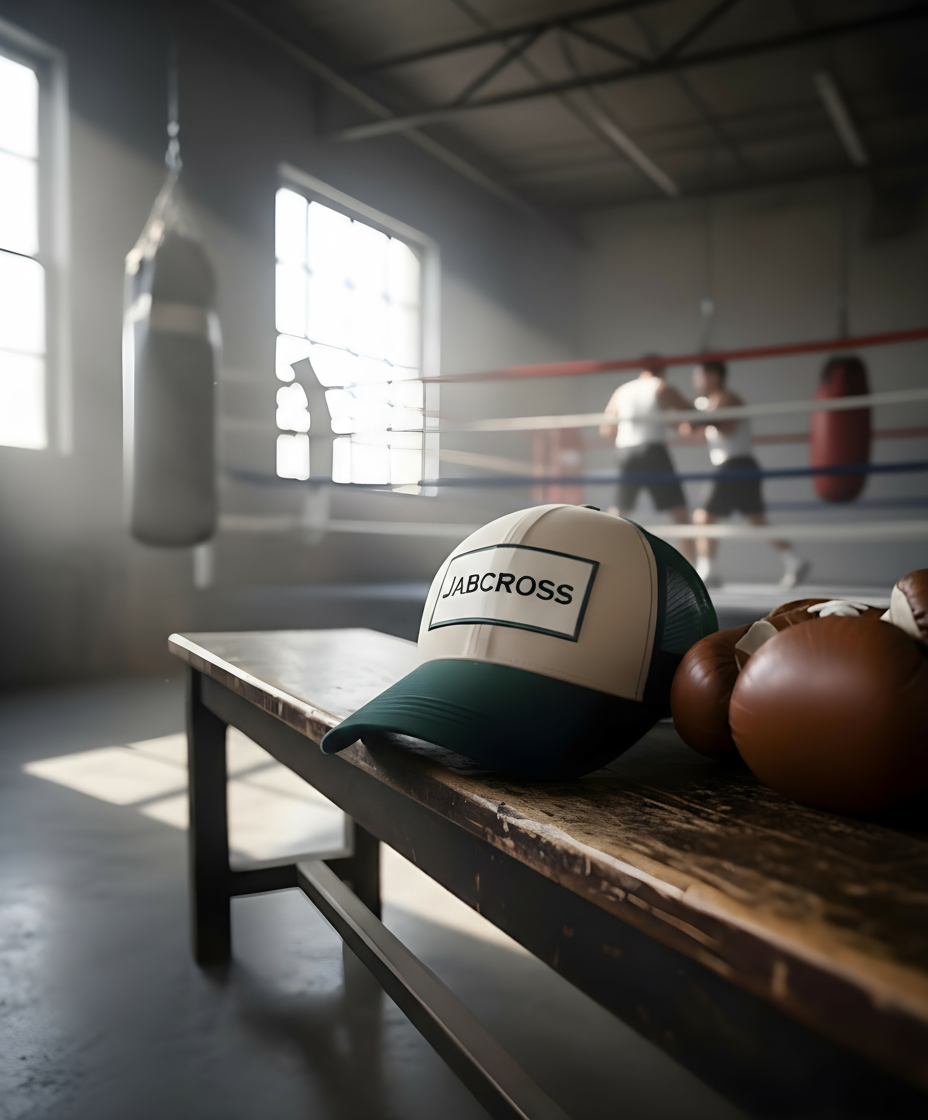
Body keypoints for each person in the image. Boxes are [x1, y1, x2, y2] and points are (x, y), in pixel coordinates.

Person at [686, 360, 808, 589]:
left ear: (713, 376)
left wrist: (697, 414)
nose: (695, 382)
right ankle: (794, 560)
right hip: (741, 466)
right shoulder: (712, 402)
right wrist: (694, 417)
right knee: (756, 521)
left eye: (699, 375)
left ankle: (707, 572)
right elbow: (696, 433)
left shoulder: (726, 398)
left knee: (703, 517)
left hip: (735, 465)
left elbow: (726, 426)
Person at [600, 355, 695, 562]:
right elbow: (691, 418)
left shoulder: (622, 390)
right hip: (652, 450)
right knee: (680, 514)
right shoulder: (662, 386)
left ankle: (603, 559)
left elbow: (606, 428)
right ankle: (693, 569)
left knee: (618, 512)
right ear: (663, 369)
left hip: (625, 451)